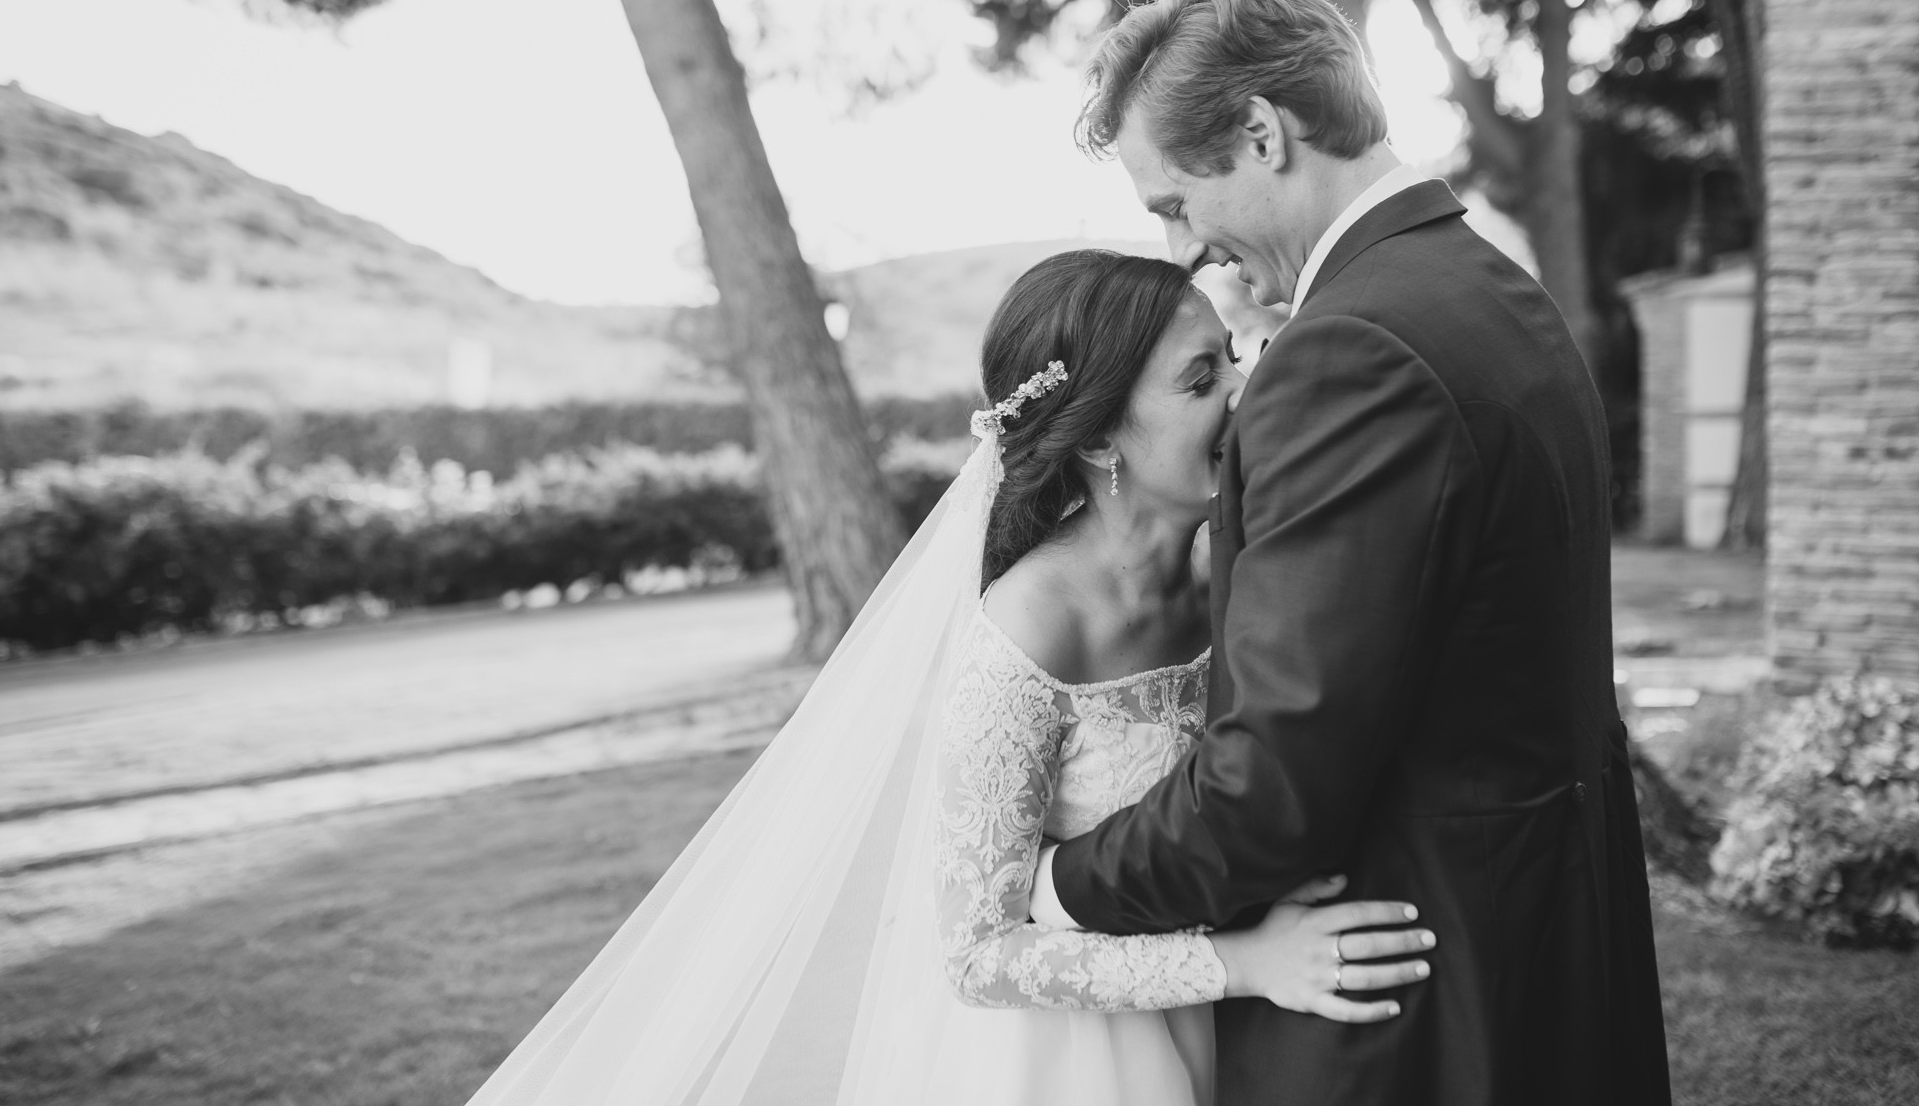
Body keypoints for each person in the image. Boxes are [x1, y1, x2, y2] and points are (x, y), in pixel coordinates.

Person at [464, 247, 1431, 1106]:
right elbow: (978, 951)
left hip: (1234, 1021)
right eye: (1199, 377)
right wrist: (1244, 962)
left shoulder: (1236, 569)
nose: (1246, 388)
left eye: (1234, 354)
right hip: (1073, 1060)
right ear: (1098, 439)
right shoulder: (1028, 625)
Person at [1029, 0, 1672, 1105]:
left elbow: (1267, 789)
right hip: (1544, 943)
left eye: (1177, 201)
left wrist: (1060, 886)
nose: (1183, 249)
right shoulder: (1491, 290)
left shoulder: (1347, 354)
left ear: (1262, 133)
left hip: (1407, 1006)